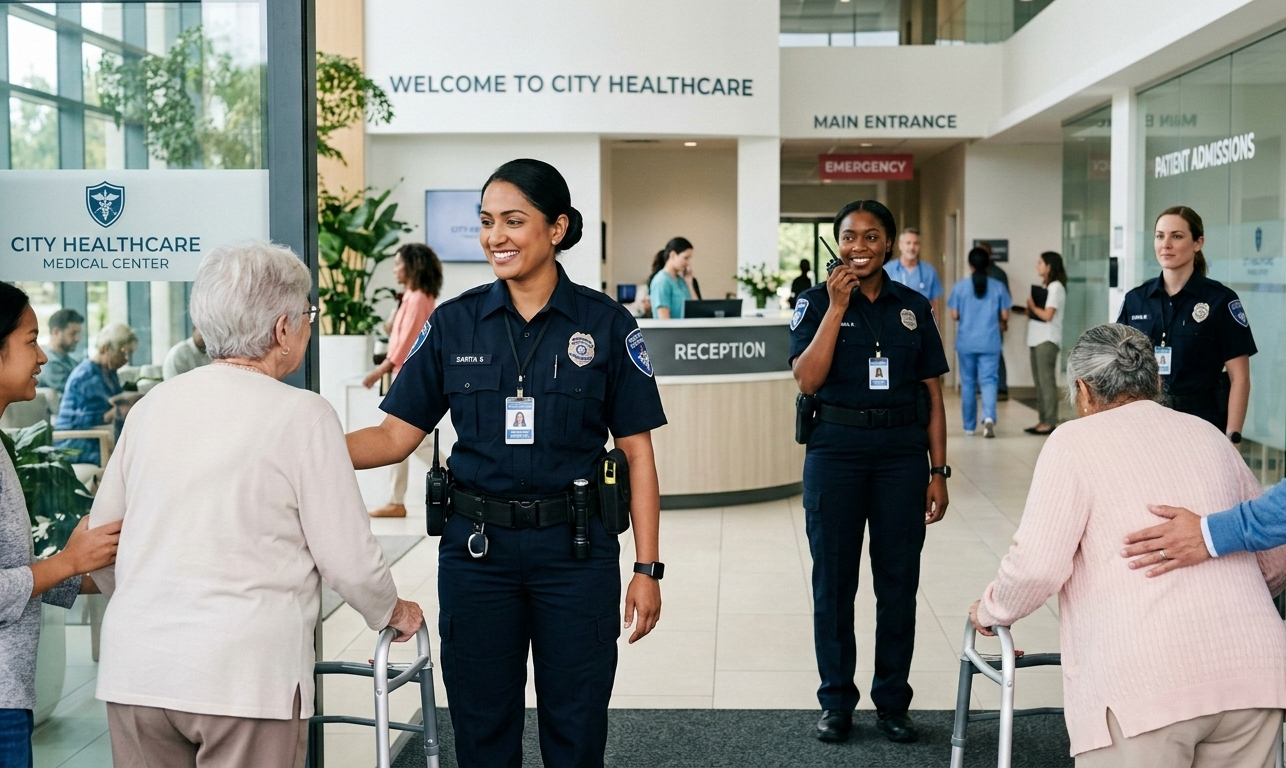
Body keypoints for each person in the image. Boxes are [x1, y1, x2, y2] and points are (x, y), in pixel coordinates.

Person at [346, 159, 666, 767]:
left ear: (557, 228)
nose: (496, 236)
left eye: (514, 221)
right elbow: (392, 436)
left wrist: (648, 567)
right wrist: (297, 444)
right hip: (478, 557)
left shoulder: (605, 325)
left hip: (575, 554)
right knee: (481, 728)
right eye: (487, 221)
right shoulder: (453, 323)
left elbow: (637, 452)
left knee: (575, 728)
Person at [86, 242, 424, 768]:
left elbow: (101, 541)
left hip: (138, 672)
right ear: (282, 329)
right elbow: (348, 558)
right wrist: (391, 611)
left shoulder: (152, 407)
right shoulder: (304, 415)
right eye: (308, 315)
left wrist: (150, 603)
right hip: (243, 678)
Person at [970, 323, 1286, 768]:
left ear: (1082, 390)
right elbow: (1274, 560)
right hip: (1256, 674)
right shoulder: (1208, 433)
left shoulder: (1073, 442)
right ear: (1155, 382)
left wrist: (990, 610)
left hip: (1146, 683)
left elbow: (1037, 566)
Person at [789, 199, 950, 745]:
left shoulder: (914, 306)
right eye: (849, 237)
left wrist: (939, 469)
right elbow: (807, 381)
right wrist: (836, 308)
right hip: (835, 454)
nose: (859, 247)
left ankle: (892, 702)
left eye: (871, 237)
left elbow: (932, 392)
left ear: (888, 244)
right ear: (837, 243)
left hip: (901, 458)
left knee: (898, 584)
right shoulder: (813, 302)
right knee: (833, 584)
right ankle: (836, 702)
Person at [0, 283, 120, 766]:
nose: (43, 356)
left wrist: (92, 571)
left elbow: (18, 571)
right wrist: (67, 561)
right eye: (31, 340)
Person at [1117, 206, 1254, 438]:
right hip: (1144, 423)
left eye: (1177, 236)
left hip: (1200, 424)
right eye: (1160, 236)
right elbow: (1119, 367)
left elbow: (1239, 378)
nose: (1166, 244)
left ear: (1198, 243)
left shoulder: (1220, 300)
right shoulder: (1136, 299)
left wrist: (1233, 437)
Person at [361, 243, 444, 519]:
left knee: (415, 441)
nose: (395, 269)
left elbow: (408, 343)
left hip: (409, 375)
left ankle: (457, 476)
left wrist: (378, 370)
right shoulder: (411, 297)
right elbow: (396, 333)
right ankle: (396, 500)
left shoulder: (419, 298)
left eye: (398, 263)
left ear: (412, 265)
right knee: (398, 436)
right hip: (402, 374)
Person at [54, 324, 139, 466]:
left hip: (98, 436)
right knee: (132, 459)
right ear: (105, 349)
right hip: (76, 442)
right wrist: (120, 411)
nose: (126, 359)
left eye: (129, 354)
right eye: (123, 352)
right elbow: (84, 421)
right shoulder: (86, 376)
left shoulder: (110, 372)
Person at [949, 247, 1011, 438]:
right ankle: (989, 418)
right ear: (988, 264)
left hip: (966, 343)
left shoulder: (960, 287)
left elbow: (954, 314)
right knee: (989, 381)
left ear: (970, 265)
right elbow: (1005, 315)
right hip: (990, 342)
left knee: (967, 383)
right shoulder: (998, 287)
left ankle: (969, 427)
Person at [1025, 251, 1067, 434]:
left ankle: (1049, 421)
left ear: (1049, 266)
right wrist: (1030, 309)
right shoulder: (1046, 286)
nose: (1037, 266)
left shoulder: (1056, 287)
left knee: (1046, 382)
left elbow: (1048, 315)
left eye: (1040, 263)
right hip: (1036, 338)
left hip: (1047, 339)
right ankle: (1042, 419)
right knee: (1039, 383)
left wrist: (1033, 307)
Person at [884, 228, 943, 316]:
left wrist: (936, 328)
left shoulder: (929, 271)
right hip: (893, 324)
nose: (912, 247)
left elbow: (934, 304)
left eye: (916, 243)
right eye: (908, 243)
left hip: (921, 325)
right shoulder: (887, 270)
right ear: (900, 245)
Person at [36, 308, 84, 393]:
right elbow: (78, 391)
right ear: (56, 332)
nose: (77, 339)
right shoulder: (48, 363)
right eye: (73, 333)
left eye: (78, 333)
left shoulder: (71, 360)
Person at [648, 237, 695, 319]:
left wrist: (690, 284)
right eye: (685, 258)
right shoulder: (661, 281)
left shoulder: (681, 280)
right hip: (673, 332)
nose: (688, 263)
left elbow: (697, 310)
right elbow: (664, 320)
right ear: (673, 255)